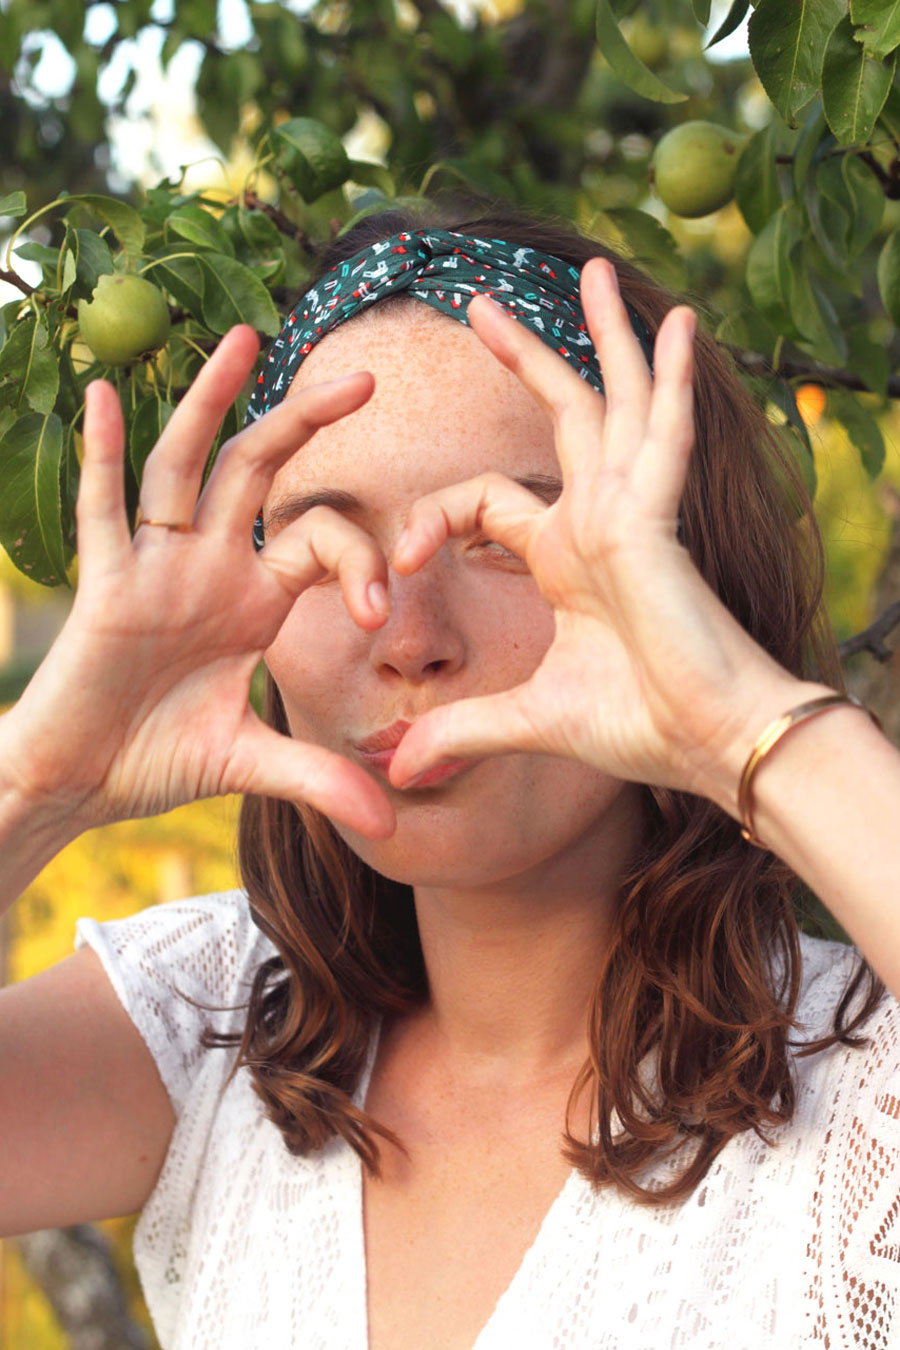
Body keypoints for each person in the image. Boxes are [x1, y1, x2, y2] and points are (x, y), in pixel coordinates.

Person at [1, 196, 899, 1350]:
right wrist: (40, 779)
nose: (406, 633)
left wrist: (735, 721)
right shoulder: (214, 1032)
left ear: (684, 576)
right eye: (328, 545)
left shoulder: (858, 1081)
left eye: (506, 535)